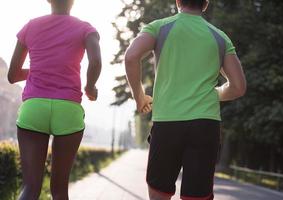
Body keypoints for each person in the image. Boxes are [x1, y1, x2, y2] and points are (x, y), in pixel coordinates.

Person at [125, 0, 246, 199]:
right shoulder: (220, 38)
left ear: (178, 1)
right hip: (205, 125)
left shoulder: (159, 27)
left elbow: (131, 57)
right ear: (205, 4)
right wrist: (214, 93)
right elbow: (239, 87)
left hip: (167, 124)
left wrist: (139, 97)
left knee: (159, 195)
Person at [7, 0, 101, 199]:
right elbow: (96, 61)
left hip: (34, 108)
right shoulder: (86, 28)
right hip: (68, 109)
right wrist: (90, 86)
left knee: (30, 187)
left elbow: (12, 75)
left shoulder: (30, 26)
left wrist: (42, 69)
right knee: (59, 189)